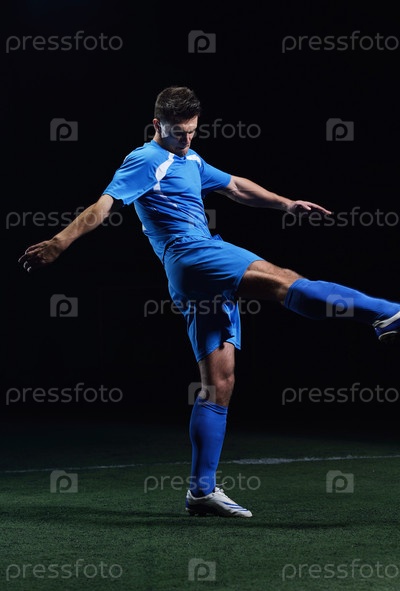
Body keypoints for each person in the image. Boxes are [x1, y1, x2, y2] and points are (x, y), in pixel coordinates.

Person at [19, 86, 400, 519]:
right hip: (193, 254)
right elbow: (104, 205)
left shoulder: (191, 159)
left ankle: (201, 491)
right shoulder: (146, 159)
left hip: (189, 275)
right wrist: (59, 241)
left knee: (219, 383)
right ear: (156, 124)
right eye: (178, 132)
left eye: (192, 131)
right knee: (286, 281)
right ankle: (386, 313)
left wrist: (286, 204)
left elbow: (234, 186)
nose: (186, 139)